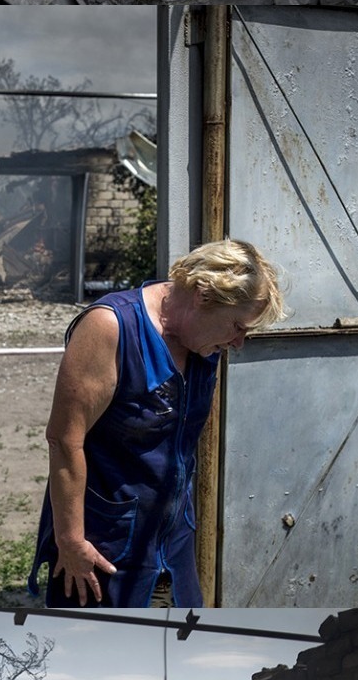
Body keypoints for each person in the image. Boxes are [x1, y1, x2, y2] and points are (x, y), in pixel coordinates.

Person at [28, 231, 281, 618]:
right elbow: (64, 440)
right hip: (104, 545)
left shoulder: (202, 342)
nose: (239, 342)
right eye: (237, 327)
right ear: (203, 296)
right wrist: (71, 540)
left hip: (172, 542)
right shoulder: (111, 327)